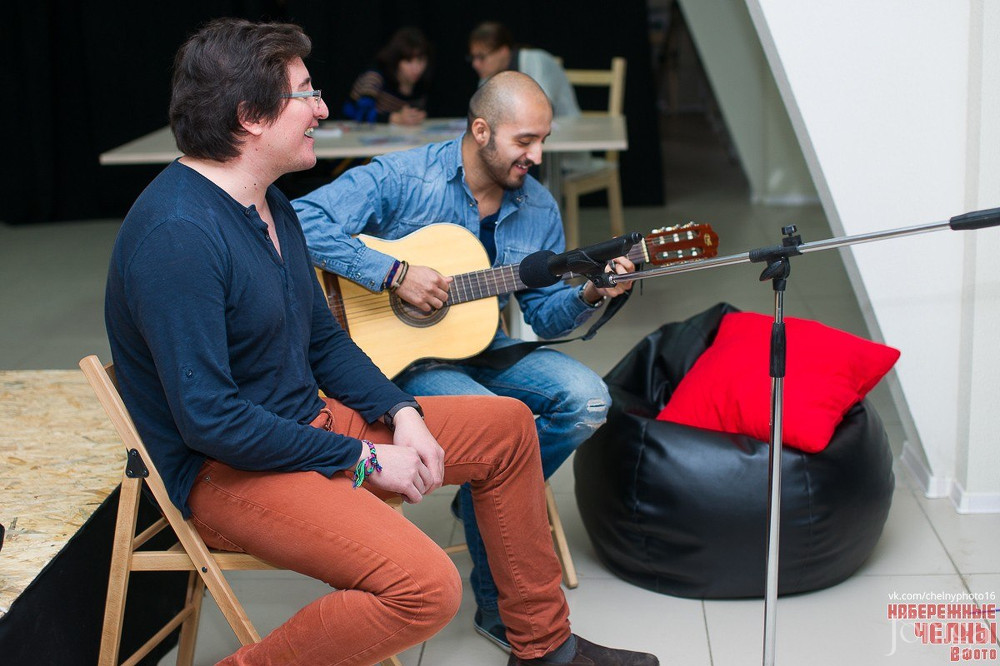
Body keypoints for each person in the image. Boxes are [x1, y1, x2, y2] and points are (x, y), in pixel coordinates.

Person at [104, 17, 656, 666]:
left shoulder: (269, 204)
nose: (324, 108)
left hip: (306, 427)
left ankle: (544, 647)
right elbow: (212, 421)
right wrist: (362, 459)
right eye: (306, 93)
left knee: (508, 428)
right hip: (230, 471)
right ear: (251, 116)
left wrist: (402, 413)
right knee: (425, 590)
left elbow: (322, 343)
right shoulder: (178, 237)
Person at [293, 70, 636, 654]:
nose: (538, 154)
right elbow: (298, 220)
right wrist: (394, 273)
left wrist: (586, 295)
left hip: (485, 343)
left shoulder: (538, 205)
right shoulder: (405, 176)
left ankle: (484, 499)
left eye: (544, 140)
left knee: (589, 399)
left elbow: (543, 316)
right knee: (497, 420)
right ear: (481, 131)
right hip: (400, 358)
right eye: (525, 140)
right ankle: (501, 596)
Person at [468, 22, 580, 118]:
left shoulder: (534, 60)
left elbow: (540, 108)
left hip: (564, 128)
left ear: (503, 51)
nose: (475, 64)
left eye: (481, 57)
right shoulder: (488, 75)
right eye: (473, 57)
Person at [343, 26, 430, 125]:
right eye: (408, 61)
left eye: (420, 61)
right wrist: (395, 118)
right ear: (396, 60)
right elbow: (360, 113)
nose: (416, 68)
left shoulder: (420, 84)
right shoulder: (375, 77)